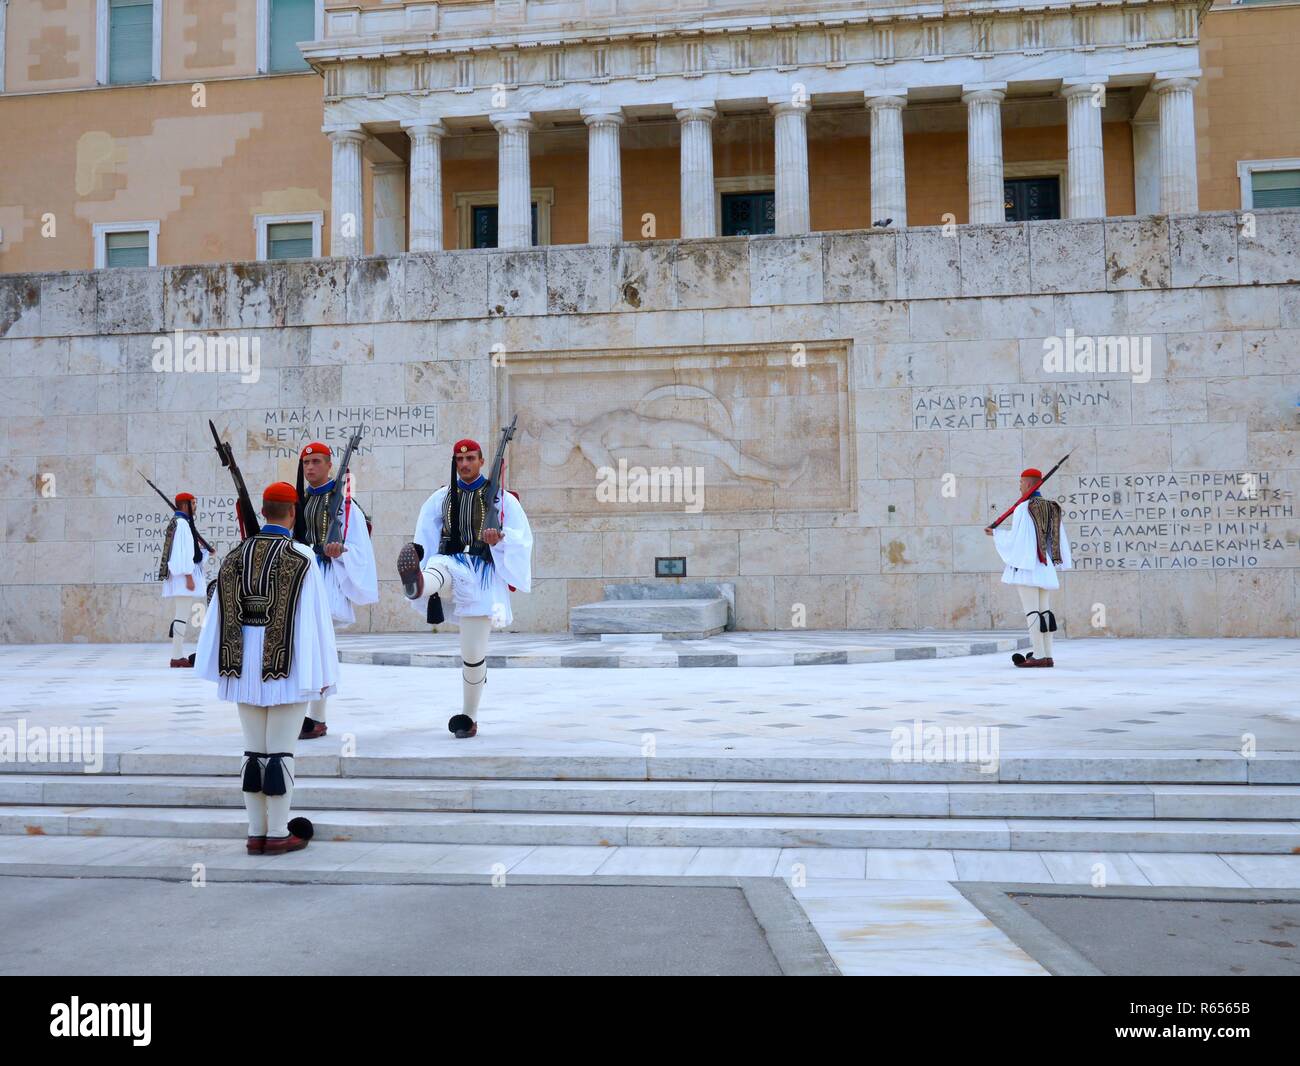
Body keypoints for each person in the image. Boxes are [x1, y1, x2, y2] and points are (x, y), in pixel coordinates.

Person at [195, 482, 338, 855]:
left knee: (253, 752)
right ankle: (276, 833)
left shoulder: (234, 556)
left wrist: (221, 665)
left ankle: (254, 832)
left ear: (263, 512)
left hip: (242, 668)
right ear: (293, 513)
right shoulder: (302, 557)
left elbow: (217, 616)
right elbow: (315, 621)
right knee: (281, 752)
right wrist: (320, 675)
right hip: (287, 668)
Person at [398, 438, 532, 738]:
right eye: (459, 460)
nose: (464, 464)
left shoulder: (502, 499)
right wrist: (419, 559)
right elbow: (425, 535)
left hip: (482, 574)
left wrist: (501, 539)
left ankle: (468, 717)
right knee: (438, 567)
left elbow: (522, 538)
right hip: (449, 562)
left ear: (481, 461)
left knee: (472, 653)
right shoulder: (442, 497)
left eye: (470, 458)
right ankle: (420, 584)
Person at [293, 440, 378, 740]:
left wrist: (339, 552)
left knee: (316, 646)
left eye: (317, 462)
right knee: (303, 646)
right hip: (302, 577)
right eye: (306, 463)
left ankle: (317, 717)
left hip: (326, 579)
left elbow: (360, 547)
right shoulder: (299, 501)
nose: (311, 468)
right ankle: (303, 713)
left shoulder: (344, 504)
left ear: (330, 466)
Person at [986, 467, 1072, 668]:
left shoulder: (1023, 508)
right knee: (1045, 611)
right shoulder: (1052, 506)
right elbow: (1059, 539)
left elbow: (1018, 540)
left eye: (1021, 483)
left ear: (1029, 484)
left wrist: (996, 534)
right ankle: (1047, 654)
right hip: (1045, 567)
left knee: (1032, 611)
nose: (1019, 487)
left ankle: (1039, 655)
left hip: (1027, 567)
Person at [159, 492, 208, 668]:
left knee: (182, 614)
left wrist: (203, 551)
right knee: (181, 615)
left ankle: (177, 654)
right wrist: (189, 576)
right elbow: (182, 554)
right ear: (185, 505)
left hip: (182, 576)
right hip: (183, 577)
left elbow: (189, 552)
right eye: (193, 503)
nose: (195, 506)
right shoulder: (182, 525)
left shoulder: (181, 523)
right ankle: (177, 656)